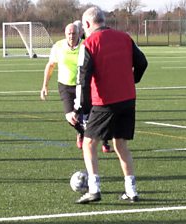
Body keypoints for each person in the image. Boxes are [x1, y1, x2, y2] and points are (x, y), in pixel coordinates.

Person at [66, 6, 148, 204]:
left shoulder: (90, 43)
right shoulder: (125, 38)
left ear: (86, 24)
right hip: (128, 100)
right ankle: (131, 190)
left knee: (88, 143)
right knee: (121, 144)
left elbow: (82, 80)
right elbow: (143, 62)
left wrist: (81, 110)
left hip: (105, 102)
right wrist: (131, 79)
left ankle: (94, 189)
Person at [40, 23, 111, 152]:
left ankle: (105, 142)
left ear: (79, 33)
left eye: (74, 33)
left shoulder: (86, 44)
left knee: (91, 116)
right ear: (65, 34)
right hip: (65, 86)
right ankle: (82, 133)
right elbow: (50, 65)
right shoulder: (58, 46)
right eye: (69, 33)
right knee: (71, 118)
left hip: (84, 85)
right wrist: (45, 85)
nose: (71, 36)